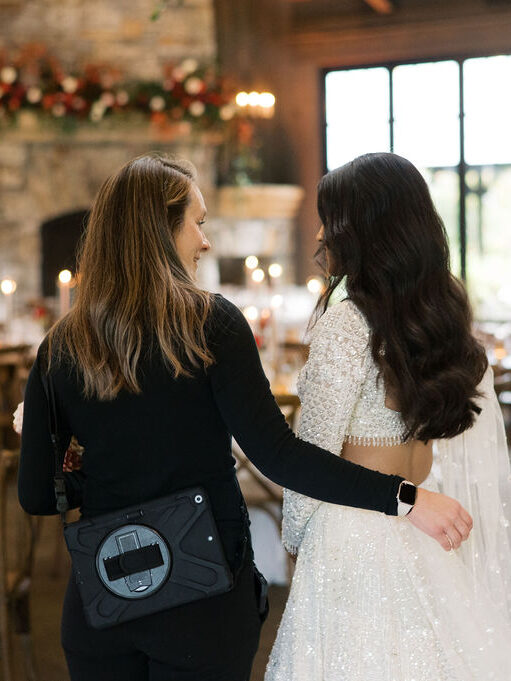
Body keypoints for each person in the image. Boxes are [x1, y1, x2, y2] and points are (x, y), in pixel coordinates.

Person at [18, 154, 472, 681]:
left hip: (104, 596)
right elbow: (281, 456)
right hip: (202, 599)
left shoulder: (59, 346)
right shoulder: (211, 324)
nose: (205, 240)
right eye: (198, 222)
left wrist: (86, 472)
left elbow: (35, 495)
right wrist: (405, 497)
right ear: (162, 230)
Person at [265, 152, 511, 681]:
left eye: (332, 218)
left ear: (363, 228)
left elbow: (311, 453)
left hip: (353, 532)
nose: (323, 234)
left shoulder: (348, 323)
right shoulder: (443, 314)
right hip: (426, 521)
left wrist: (296, 539)